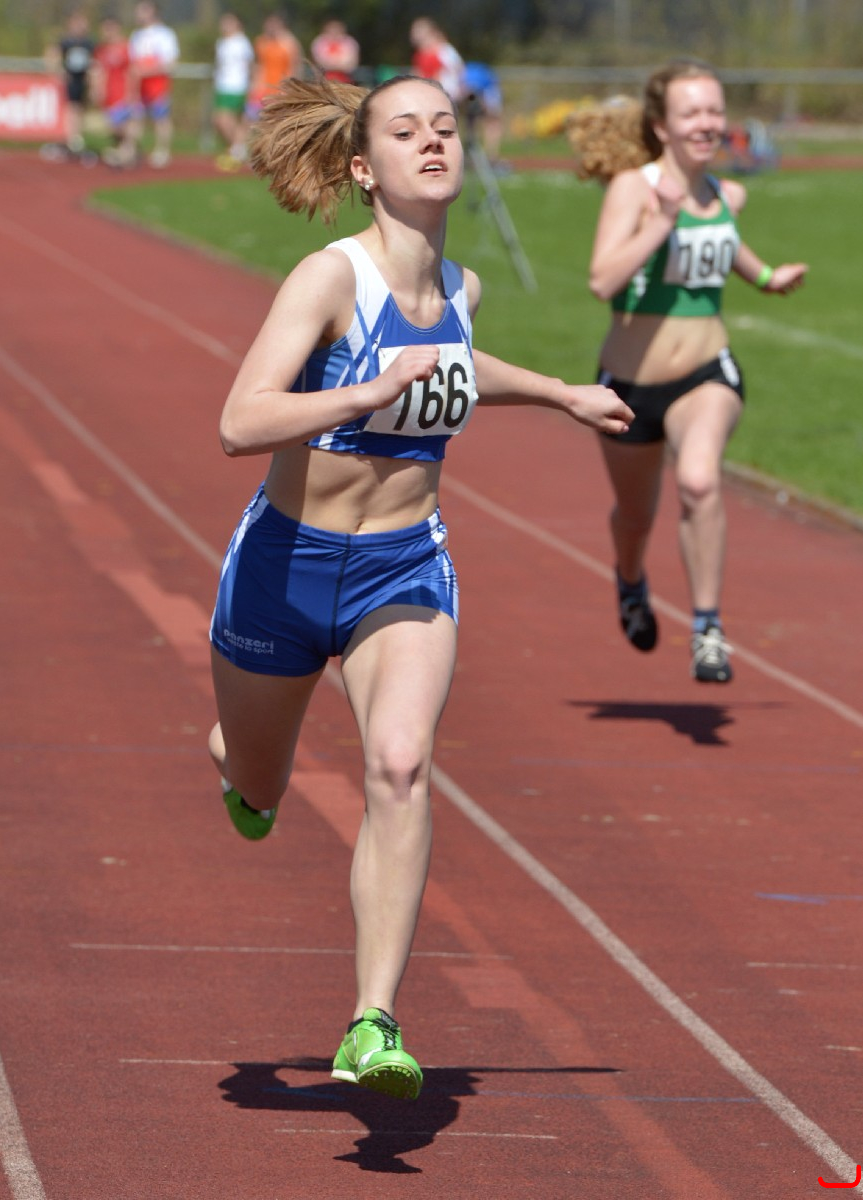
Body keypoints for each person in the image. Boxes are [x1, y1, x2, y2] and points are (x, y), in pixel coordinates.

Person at [207, 73, 633, 1100]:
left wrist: (561, 393)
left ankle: (373, 1020)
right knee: (260, 788)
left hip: (402, 569)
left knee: (399, 765)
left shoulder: (461, 289)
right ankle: (239, 764)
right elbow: (240, 421)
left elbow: (459, 364)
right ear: (364, 168)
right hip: (284, 569)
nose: (433, 141)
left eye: (444, 127)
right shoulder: (328, 280)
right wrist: (363, 390)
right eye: (406, 131)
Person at [569, 60, 807, 683]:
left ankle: (707, 628)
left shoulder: (727, 194)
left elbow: (724, 242)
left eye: (714, 111)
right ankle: (629, 579)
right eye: (692, 113)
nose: (707, 124)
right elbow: (602, 280)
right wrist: (661, 221)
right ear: (662, 126)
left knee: (699, 482)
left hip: (706, 371)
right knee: (635, 515)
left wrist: (766, 277)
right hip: (628, 386)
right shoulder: (635, 189)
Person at [127, 0, 179, 169]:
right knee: (135, 117)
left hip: (158, 83)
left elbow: (170, 63)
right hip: (139, 85)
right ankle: (131, 149)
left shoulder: (165, 34)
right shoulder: (136, 35)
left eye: (142, 10)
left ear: (152, 11)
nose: (138, 14)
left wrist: (146, 70)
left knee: (161, 118)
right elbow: (133, 62)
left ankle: (162, 151)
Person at [44, 11, 96, 160]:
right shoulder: (66, 41)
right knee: (72, 107)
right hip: (71, 79)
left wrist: (92, 79)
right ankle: (71, 138)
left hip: (83, 79)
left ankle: (77, 137)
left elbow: (94, 62)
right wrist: (57, 71)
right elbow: (52, 54)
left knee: (81, 108)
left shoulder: (88, 43)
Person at [211, 12, 255, 171]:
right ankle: (238, 149)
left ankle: (237, 150)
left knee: (224, 119)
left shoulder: (242, 42)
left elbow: (250, 65)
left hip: (236, 85)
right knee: (219, 121)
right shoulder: (221, 42)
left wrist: (252, 84)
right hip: (222, 85)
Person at [92, 16, 135, 168]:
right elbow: (98, 70)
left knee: (119, 126)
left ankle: (128, 152)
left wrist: (131, 92)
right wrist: (96, 88)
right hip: (108, 95)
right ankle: (125, 152)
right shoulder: (101, 49)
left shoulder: (125, 47)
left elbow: (132, 71)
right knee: (112, 126)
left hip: (121, 93)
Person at [246, 12, 302, 123]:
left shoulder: (289, 43)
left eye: (274, 24)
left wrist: (293, 88)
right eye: (269, 24)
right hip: (262, 88)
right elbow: (258, 65)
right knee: (249, 120)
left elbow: (296, 66)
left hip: (280, 89)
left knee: (275, 122)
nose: (271, 27)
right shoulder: (261, 42)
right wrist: (253, 84)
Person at [409, 17, 465, 105]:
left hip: (445, 90)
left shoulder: (444, 50)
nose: (415, 34)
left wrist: (460, 86)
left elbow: (458, 68)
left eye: (419, 30)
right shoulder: (420, 55)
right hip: (430, 89)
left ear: (430, 33)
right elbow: (418, 73)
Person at [310, 18, 360, 84]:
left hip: (345, 79)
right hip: (323, 78)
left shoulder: (350, 43)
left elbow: (352, 64)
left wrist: (333, 65)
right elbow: (318, 62)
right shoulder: (319, 42)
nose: (334, 32)